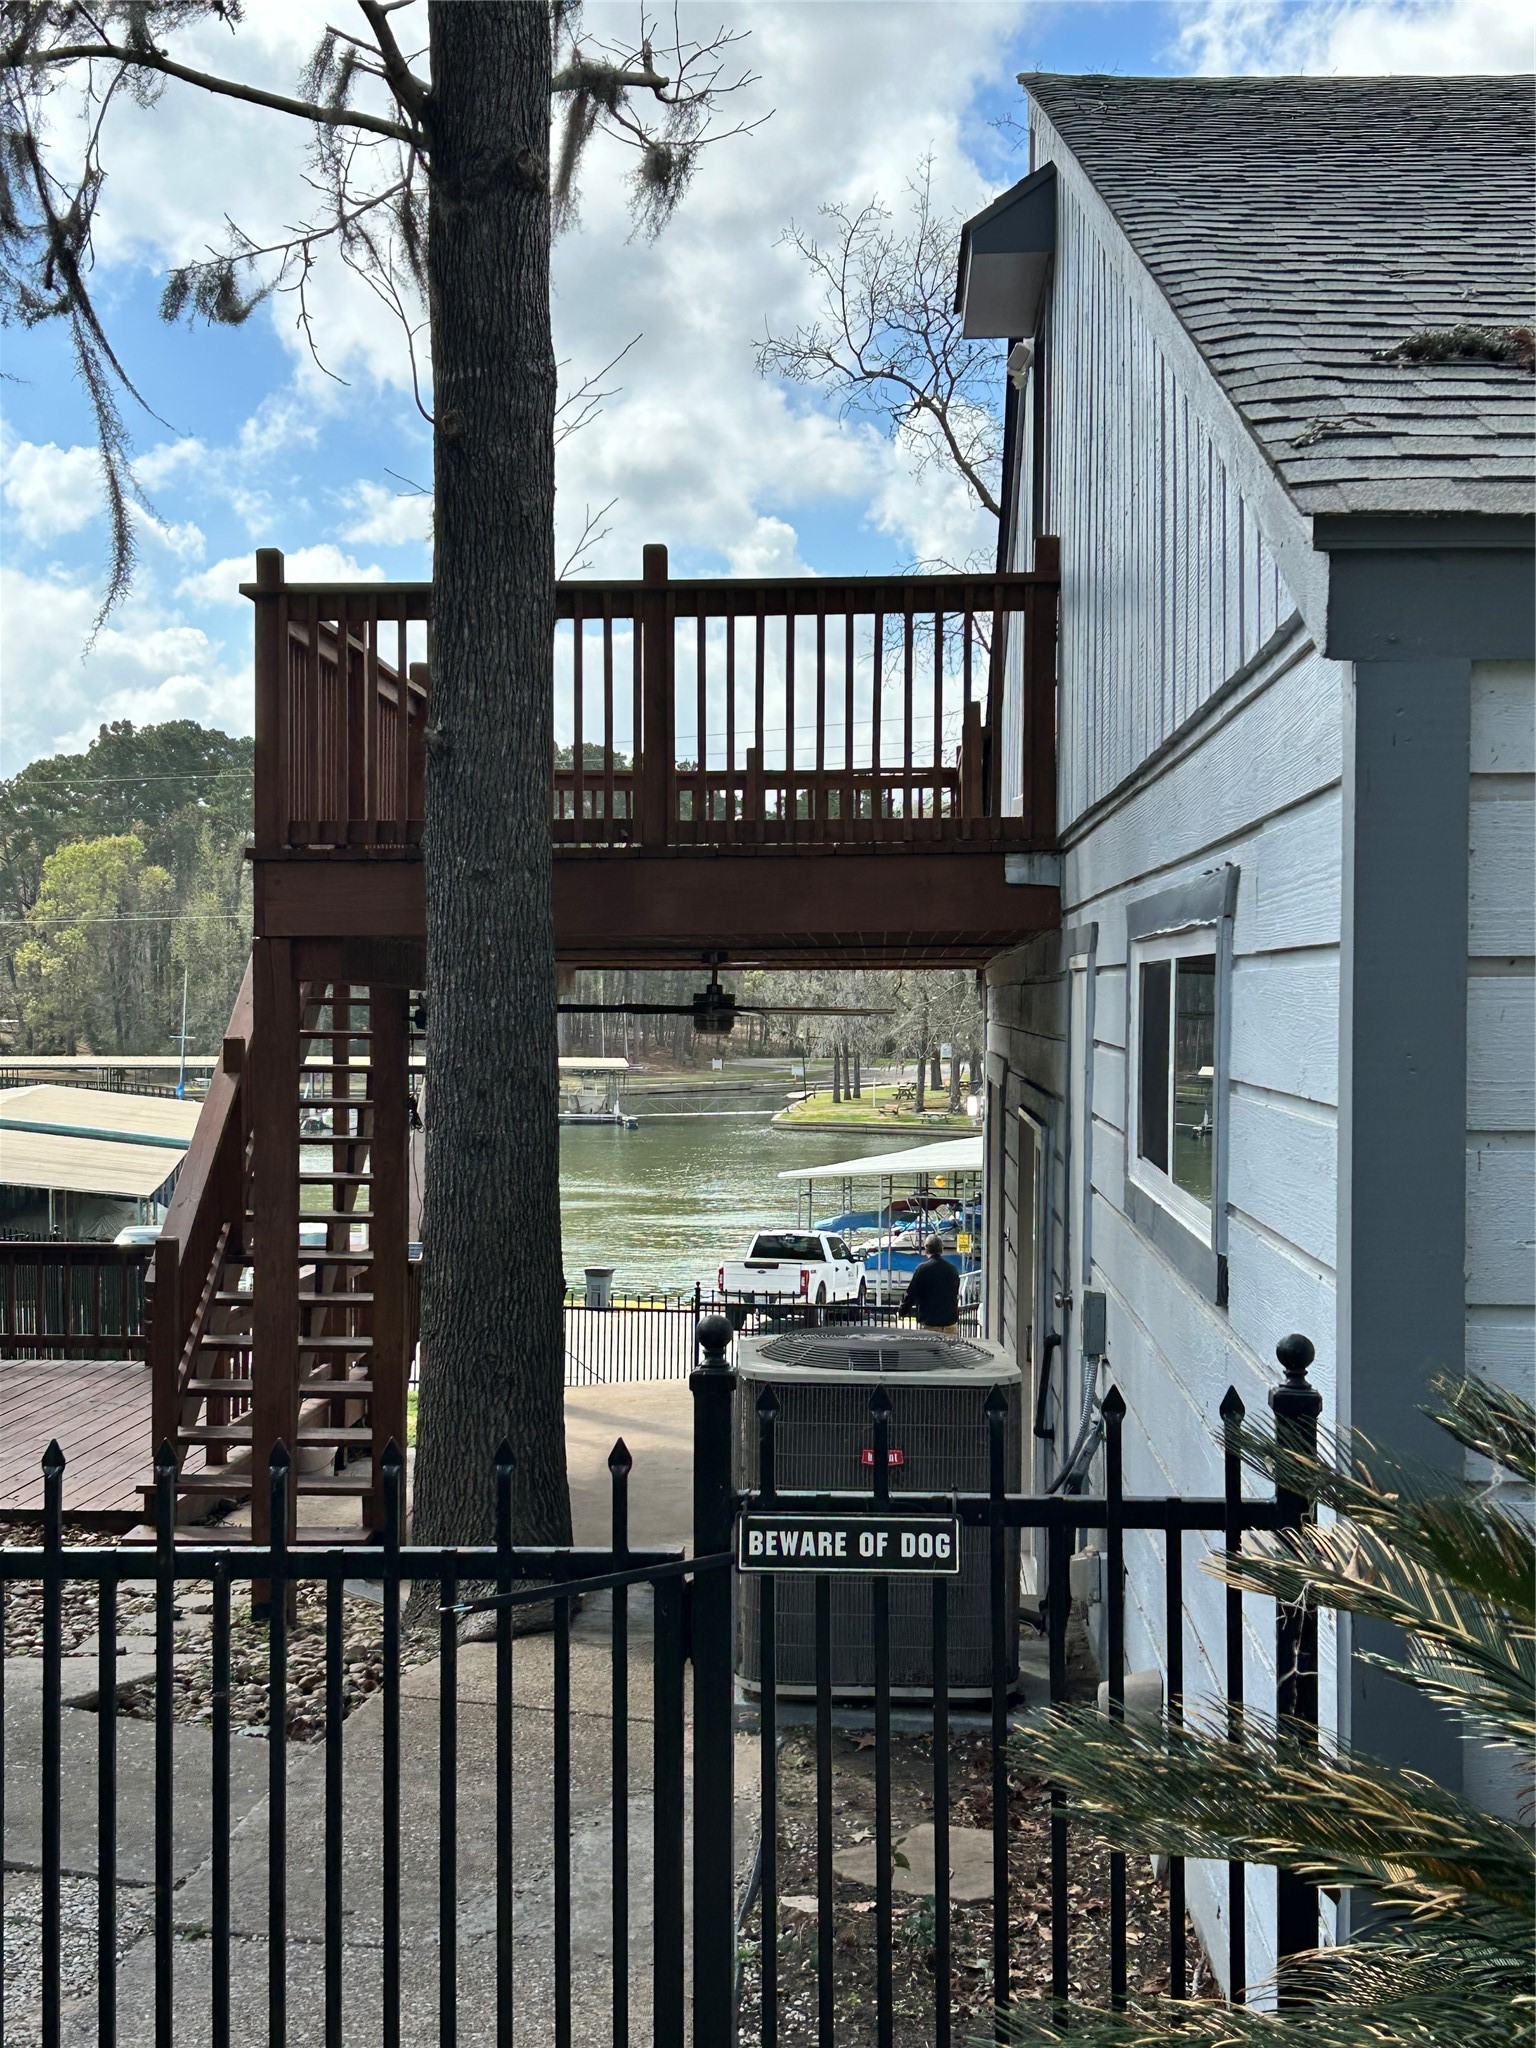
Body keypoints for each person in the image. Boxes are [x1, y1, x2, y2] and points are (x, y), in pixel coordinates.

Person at [900, 1235, 961, 1334]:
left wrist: (903, 1311)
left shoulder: (922, 1269)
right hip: (950, 1325)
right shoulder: (952, 1269)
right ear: (941, 1249)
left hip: (930, 1325)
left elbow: (911, 1294)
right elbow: (955, 1293)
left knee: (929, 1349)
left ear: (926, 1248)